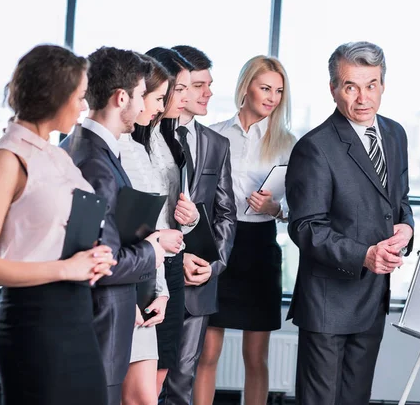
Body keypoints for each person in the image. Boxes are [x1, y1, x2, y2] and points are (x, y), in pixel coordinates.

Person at [0, 44, 116, 405]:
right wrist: (67, 268)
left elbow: (54, 233)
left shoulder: (56, 155)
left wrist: (94, 255)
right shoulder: (7, 158)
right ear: (56, 96)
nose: (83, 106)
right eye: (79, 97)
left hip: (76, 317)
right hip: (34, 324)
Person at [285, 41, 414, 405]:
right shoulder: (315, 147)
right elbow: (306, 227)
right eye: (350, 86)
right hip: (328, 303)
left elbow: (400, 200)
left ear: (383, 85)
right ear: (333, 89)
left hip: (373, 298)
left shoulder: (395, 134)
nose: (362, 98)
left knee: (356, 399)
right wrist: (364, 255)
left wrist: (406, 227)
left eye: (371, 84)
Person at [60, 46, 166, 405]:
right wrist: (154, 249)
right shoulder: (96, 162)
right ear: (121, 97)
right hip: (99, 321)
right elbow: (103, 262)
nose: (142, 106)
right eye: (139, 95)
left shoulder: (80, 146)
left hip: (97, 319)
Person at [195, 55, 295, 405]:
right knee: (206, 353)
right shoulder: (215, 135)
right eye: (265, 88)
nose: (271, 97)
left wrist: (274, 208)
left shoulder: (289, 143)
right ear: (245, 87)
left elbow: (295, 207)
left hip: (260, 246)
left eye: (278, 91)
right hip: (219, 245)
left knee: (256, 357)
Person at [159, 45, 236, 405]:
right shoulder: (147, 136)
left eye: (207, 85)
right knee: (144, 381)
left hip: (198, 283)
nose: (206, 93)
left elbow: (226, 213)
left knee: (182, 381)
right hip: (153, 274)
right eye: (198, 84)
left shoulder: (216, 144)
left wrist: (213, 265)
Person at [120, 55, 199, 404]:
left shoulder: (168, 138)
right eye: (176, 90)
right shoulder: (127, 146)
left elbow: (170, 211)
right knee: (138, 383)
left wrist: (191, 218)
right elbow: (133, 222)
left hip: (163, 262)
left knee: (162, 369)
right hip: (142, 260)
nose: (183, 97)